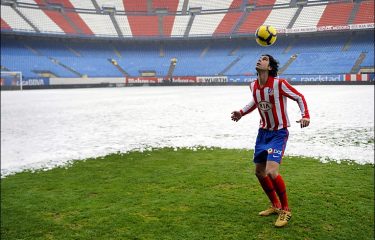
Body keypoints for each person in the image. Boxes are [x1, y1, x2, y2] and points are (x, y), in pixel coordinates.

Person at [231, 54, 310, 227]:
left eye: (265, 59)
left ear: (270, 67)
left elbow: (299, 97)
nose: (260, 60)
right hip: (263, 133)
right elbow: (256, 102)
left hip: (278, 133)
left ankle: (286, 210)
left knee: (272, 171)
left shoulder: (279, 84)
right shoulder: (253, 85)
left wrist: (305, 116)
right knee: (259, 172)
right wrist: (241, 112)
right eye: (259, 58)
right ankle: (275, 205)